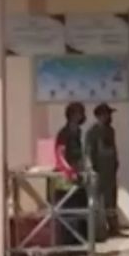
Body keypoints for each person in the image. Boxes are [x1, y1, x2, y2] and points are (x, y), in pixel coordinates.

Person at [85, 103, 121, 236]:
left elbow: (113, 149)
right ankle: (97, 232)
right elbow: (88, 152)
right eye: (106, 114)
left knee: (111, 201)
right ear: (100, 116)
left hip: (110, 172)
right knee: (96, 202)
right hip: (98, 172)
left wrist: (116, 163)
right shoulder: (92, 133)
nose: (109, 117)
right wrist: (91, 170)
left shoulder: (110, 130)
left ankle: (114, 228)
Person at [54, 102, 87, 245]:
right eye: (77, 113)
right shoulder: (64, 133)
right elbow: (60, 154)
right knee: (69, 210)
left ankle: (79, 241)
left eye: (81, 113)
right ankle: (68, 243)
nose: (80, 116)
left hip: (78, 173)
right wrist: (69, 171)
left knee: (81, 208)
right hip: (66, 177)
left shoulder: (78, 131)